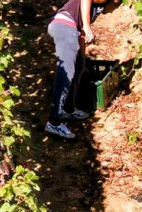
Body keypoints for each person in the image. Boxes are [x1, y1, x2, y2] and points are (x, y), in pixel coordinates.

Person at [44, 0, 96, 140]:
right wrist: (86, 25)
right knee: (66, 73)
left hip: (69, 28)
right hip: (64, 26)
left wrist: (82, 59)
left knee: (78, 68)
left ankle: (68, 109)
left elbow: (82, 35)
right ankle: (53, 121)